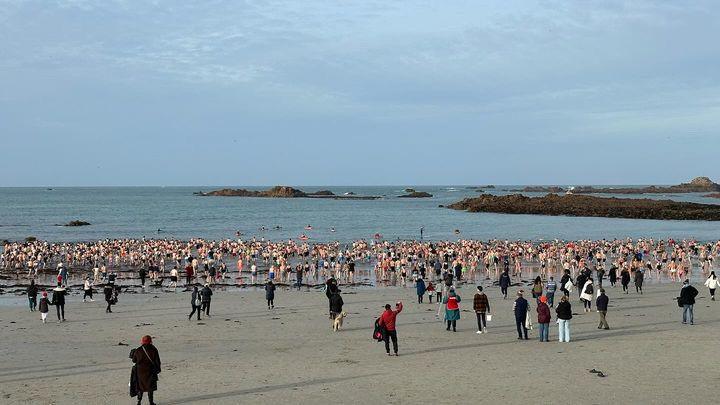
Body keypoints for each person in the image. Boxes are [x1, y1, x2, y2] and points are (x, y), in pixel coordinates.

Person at [131, 335, 161, 405]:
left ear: (142, 341)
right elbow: (157, 361)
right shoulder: (154, 349)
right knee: (150, 387)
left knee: (140, 387)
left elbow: (134, 360)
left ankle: (139, 402)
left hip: (140, 371)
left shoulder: (138, 350)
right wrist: (158, 370)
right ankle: (151, 402)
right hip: (150, 371)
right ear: (150, 341)